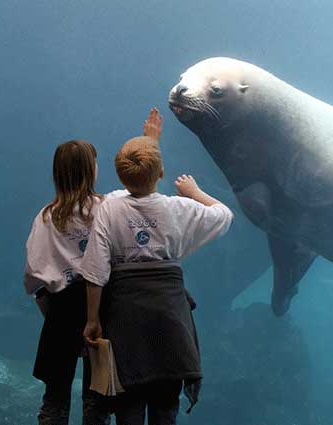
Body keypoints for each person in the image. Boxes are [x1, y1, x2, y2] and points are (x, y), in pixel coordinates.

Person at [81, 127, 234, 425]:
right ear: (162, 172)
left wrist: (92, 319)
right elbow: (224, 215)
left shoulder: (110, 206)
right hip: (169, 316)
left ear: (120, 175)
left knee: (128, 400)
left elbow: (96, 271)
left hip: (125, 316)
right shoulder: (179, 208)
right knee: (166, 402)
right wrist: (194, 192)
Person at [24, 110, 163, 425]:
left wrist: (51, 311)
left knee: (54, 401)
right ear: (91, 171)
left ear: (58, 174)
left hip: (59, 312)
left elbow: (34, 275)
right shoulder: (109, 207)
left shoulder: (45, 217)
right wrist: (152, 142)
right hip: (101, 309)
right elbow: (144, 196)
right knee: (97, 400)